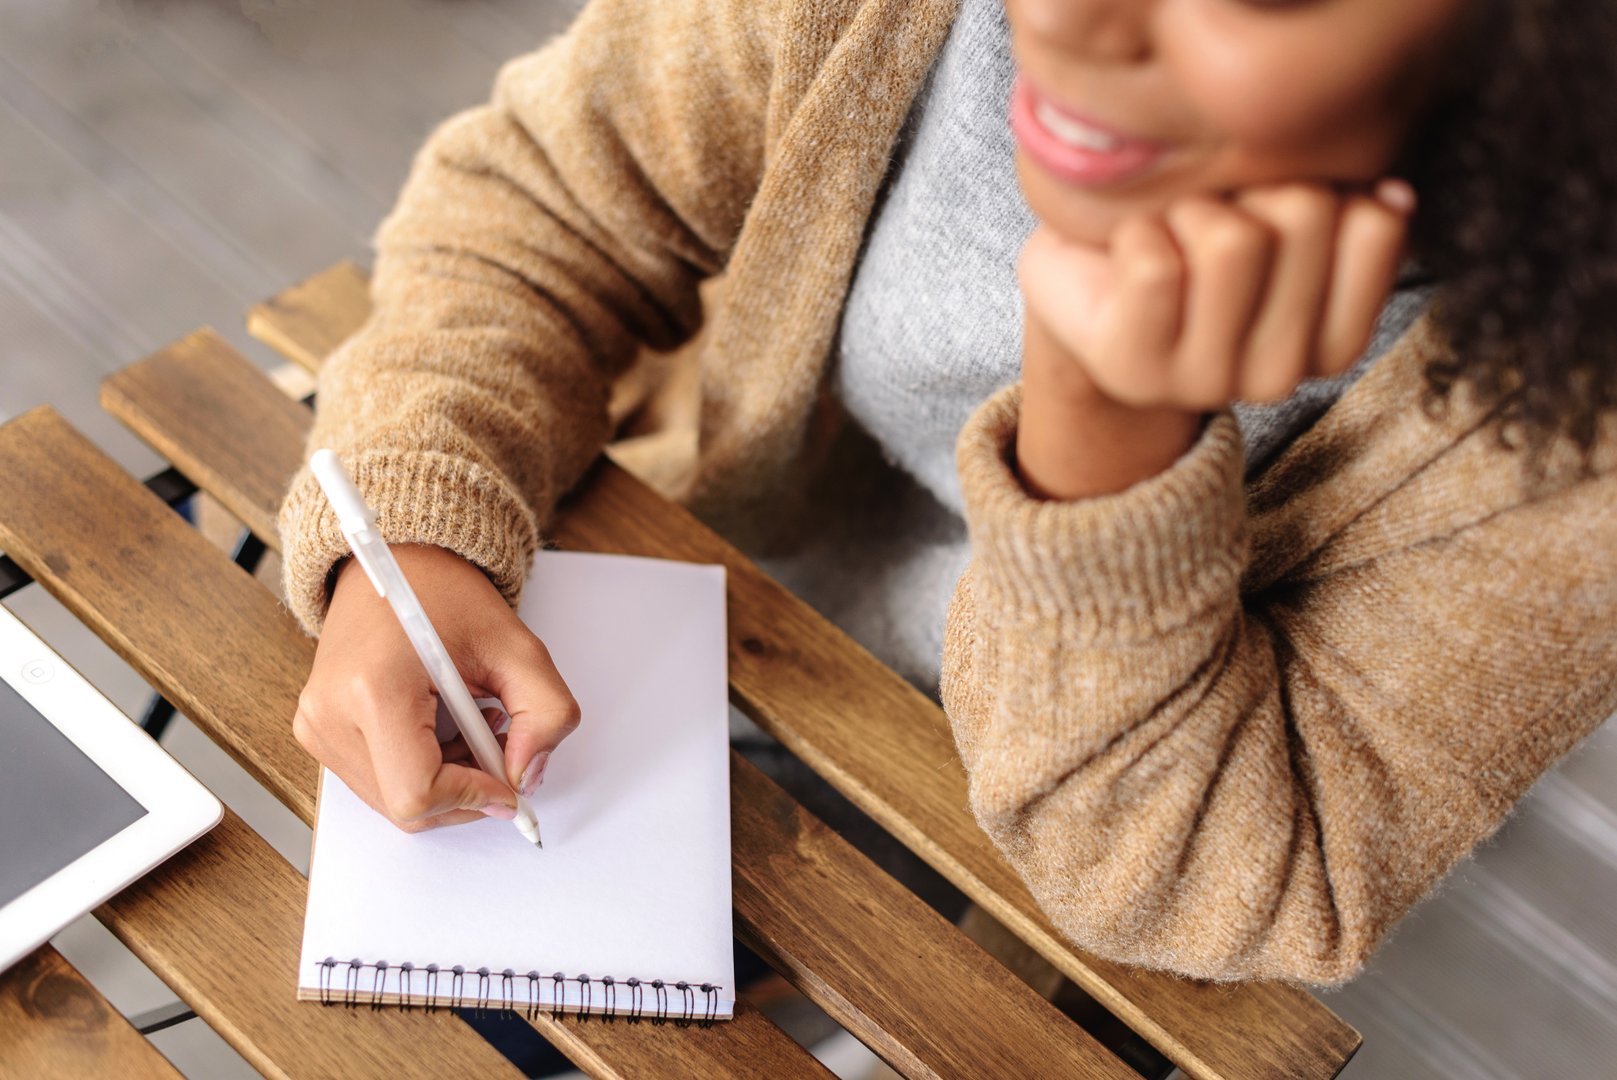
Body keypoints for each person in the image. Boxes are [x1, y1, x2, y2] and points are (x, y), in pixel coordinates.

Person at [279, 0, 1617, 985]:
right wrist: (417, 525)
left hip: (1004, 843)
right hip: (667, 602)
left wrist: (1106, 432)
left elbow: (1221, 883)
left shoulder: (1576, 449)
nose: (1065, 21)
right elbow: (550, 194)